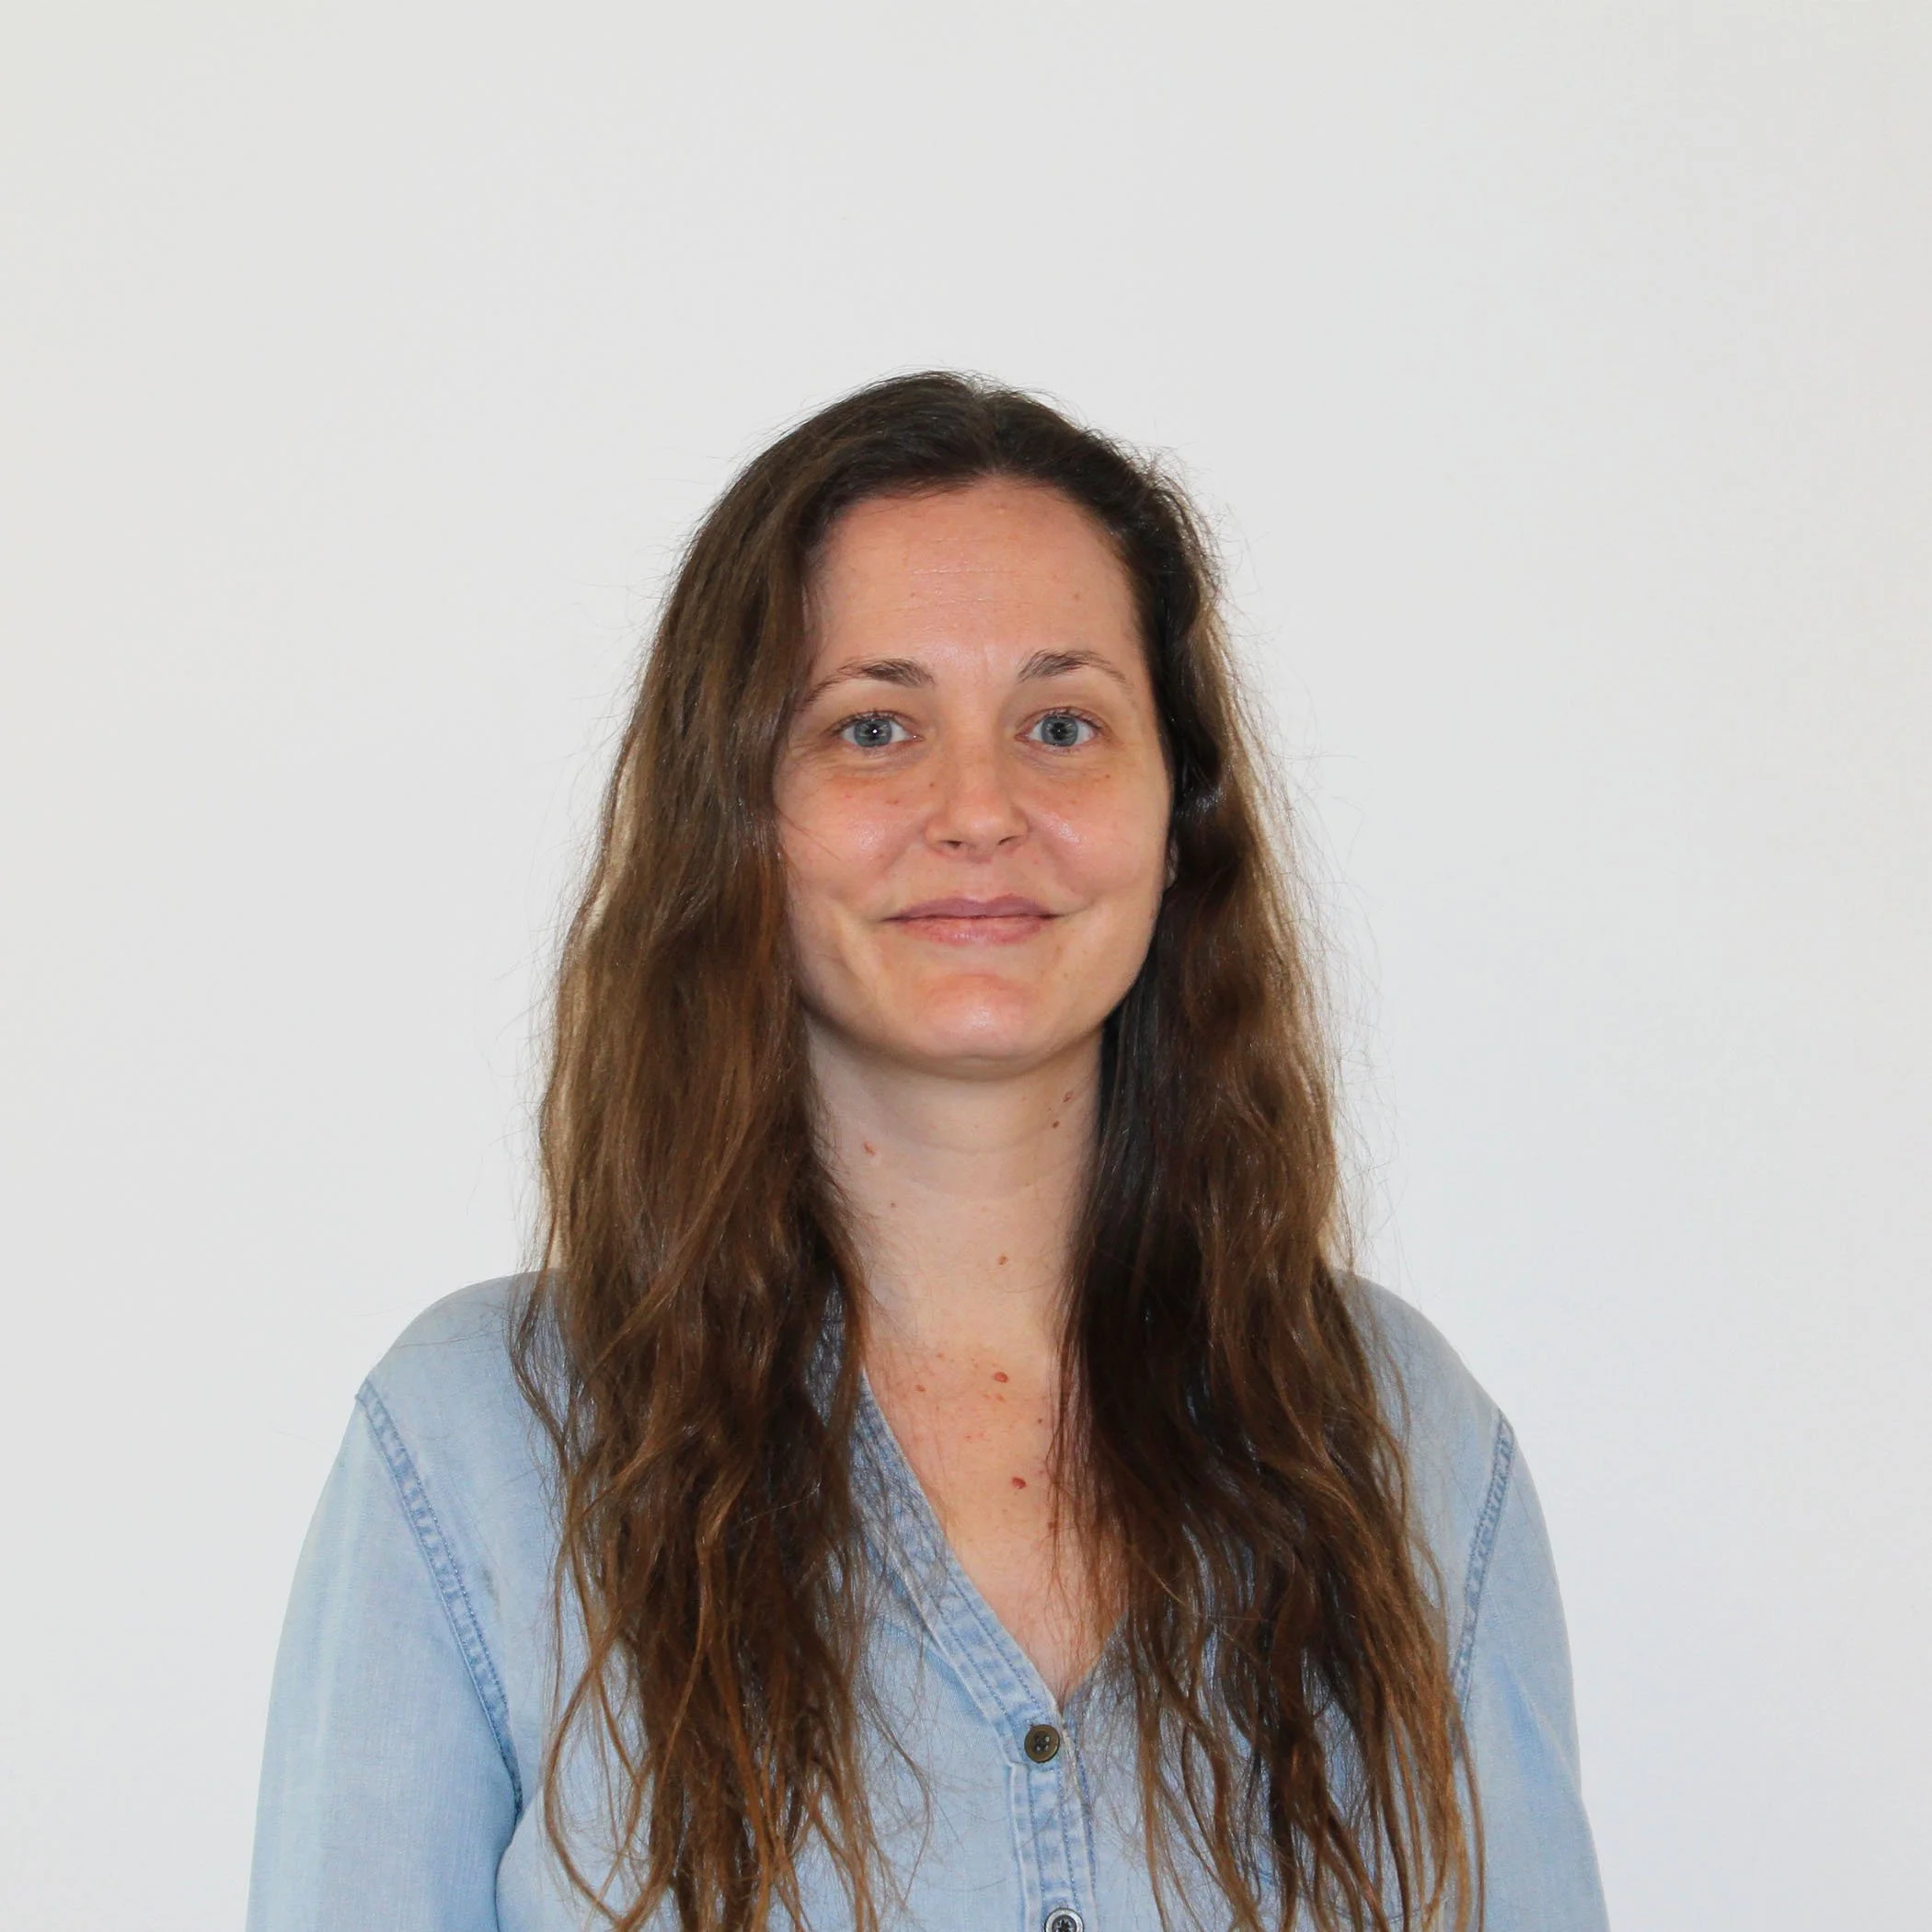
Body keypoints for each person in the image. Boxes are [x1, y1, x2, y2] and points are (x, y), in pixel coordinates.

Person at [247, 373, 1609, 1932]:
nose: (979, 808)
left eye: (1062, 725)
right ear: (739, 819)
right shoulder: (481, 1449)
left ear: (1179, 823)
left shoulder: (1402, 1440)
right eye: (874, 727)